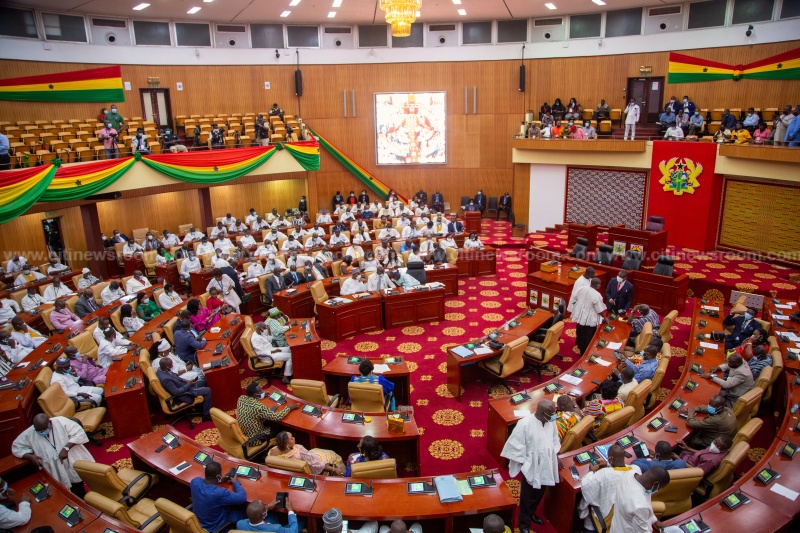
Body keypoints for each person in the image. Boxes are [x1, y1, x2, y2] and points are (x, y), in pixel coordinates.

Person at [501, 400, 560, 530]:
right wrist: (525, 463)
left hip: (547, 463)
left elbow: (555, 439)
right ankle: (524, 524)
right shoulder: (524, 424)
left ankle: (532, 513)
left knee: (540, 492)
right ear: (542, 413)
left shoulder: (551, 421)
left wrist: (555, 455)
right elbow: (515, 445)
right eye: (551, 414)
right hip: (531, 465)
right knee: (527, 497)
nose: (554, 416)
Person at [13, 414, 94, 497]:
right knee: (62, 490)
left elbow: (79, 433)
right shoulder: (30, 432)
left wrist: (66, 448)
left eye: (44, 429)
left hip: (71, 458)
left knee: (78, 486)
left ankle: (83, 500)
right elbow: (17, 447)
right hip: (53, 465)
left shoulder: (60, 421)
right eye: (39, 431)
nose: (42, 432)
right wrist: (31, 457)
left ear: (50, 422)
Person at [578, 444, 642, 531]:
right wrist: (608, 463)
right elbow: (625, 467)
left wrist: (591, 471)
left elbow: (586, 486)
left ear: (611, 458)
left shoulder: (604, 474)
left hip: (606, 517)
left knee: (585, 501)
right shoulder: (636, 470)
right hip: (626, 518)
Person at [609, 466, 670, 533]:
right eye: (659, 488)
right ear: (656, 484)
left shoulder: (629, 473)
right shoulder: (641, 506)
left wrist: (654, 520)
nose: (657, 491)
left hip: (616, 527)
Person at [190, 461, 246, 530]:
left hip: (199, 524)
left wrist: (219, 480)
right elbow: (242, 498)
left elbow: (206, 481)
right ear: (218, 476)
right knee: (245, 510)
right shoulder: (219, 493)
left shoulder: (194, 482)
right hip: (214, 528)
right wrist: (235, 482)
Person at [269, 431, 345, 475]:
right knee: (332, 454)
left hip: (288, 475)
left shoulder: (273, 451)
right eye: (292, 438)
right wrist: (334, 469)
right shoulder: (299, 451)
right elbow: (317, 464)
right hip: (311, 470)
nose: (294, 438)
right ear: (287, 445)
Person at [571, 278, 606, 355]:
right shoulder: (597, 294)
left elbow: (575, 297)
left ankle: (579, 344)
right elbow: (599, 309)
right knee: (587, 336)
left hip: (580, 314)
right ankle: (584, 353)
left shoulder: (582, 288)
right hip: (589, 319)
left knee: (579, 329)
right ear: (597, 285)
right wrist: (605, 318)